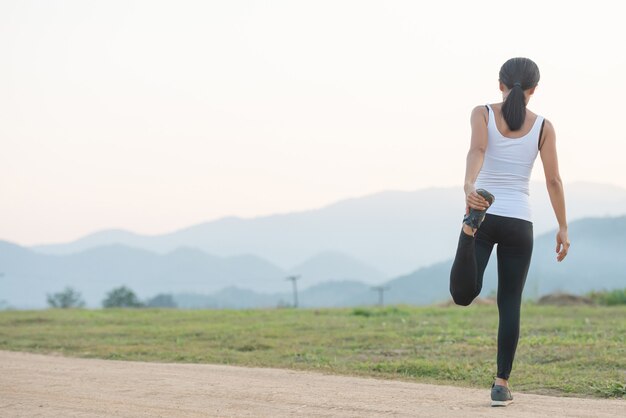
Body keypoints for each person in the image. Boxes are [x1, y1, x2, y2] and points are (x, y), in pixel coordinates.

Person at [448, 57, 570, 407]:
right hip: (520, 220)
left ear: (500, 84)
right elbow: (553, 180)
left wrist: (470, 185)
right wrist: (562, 226)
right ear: (534, 90)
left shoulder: (481, 113)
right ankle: (501, 383)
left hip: (483, 210)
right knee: (510, 302)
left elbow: (478, 150)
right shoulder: (544, 126)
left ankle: (467, 231)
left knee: (463, 295)